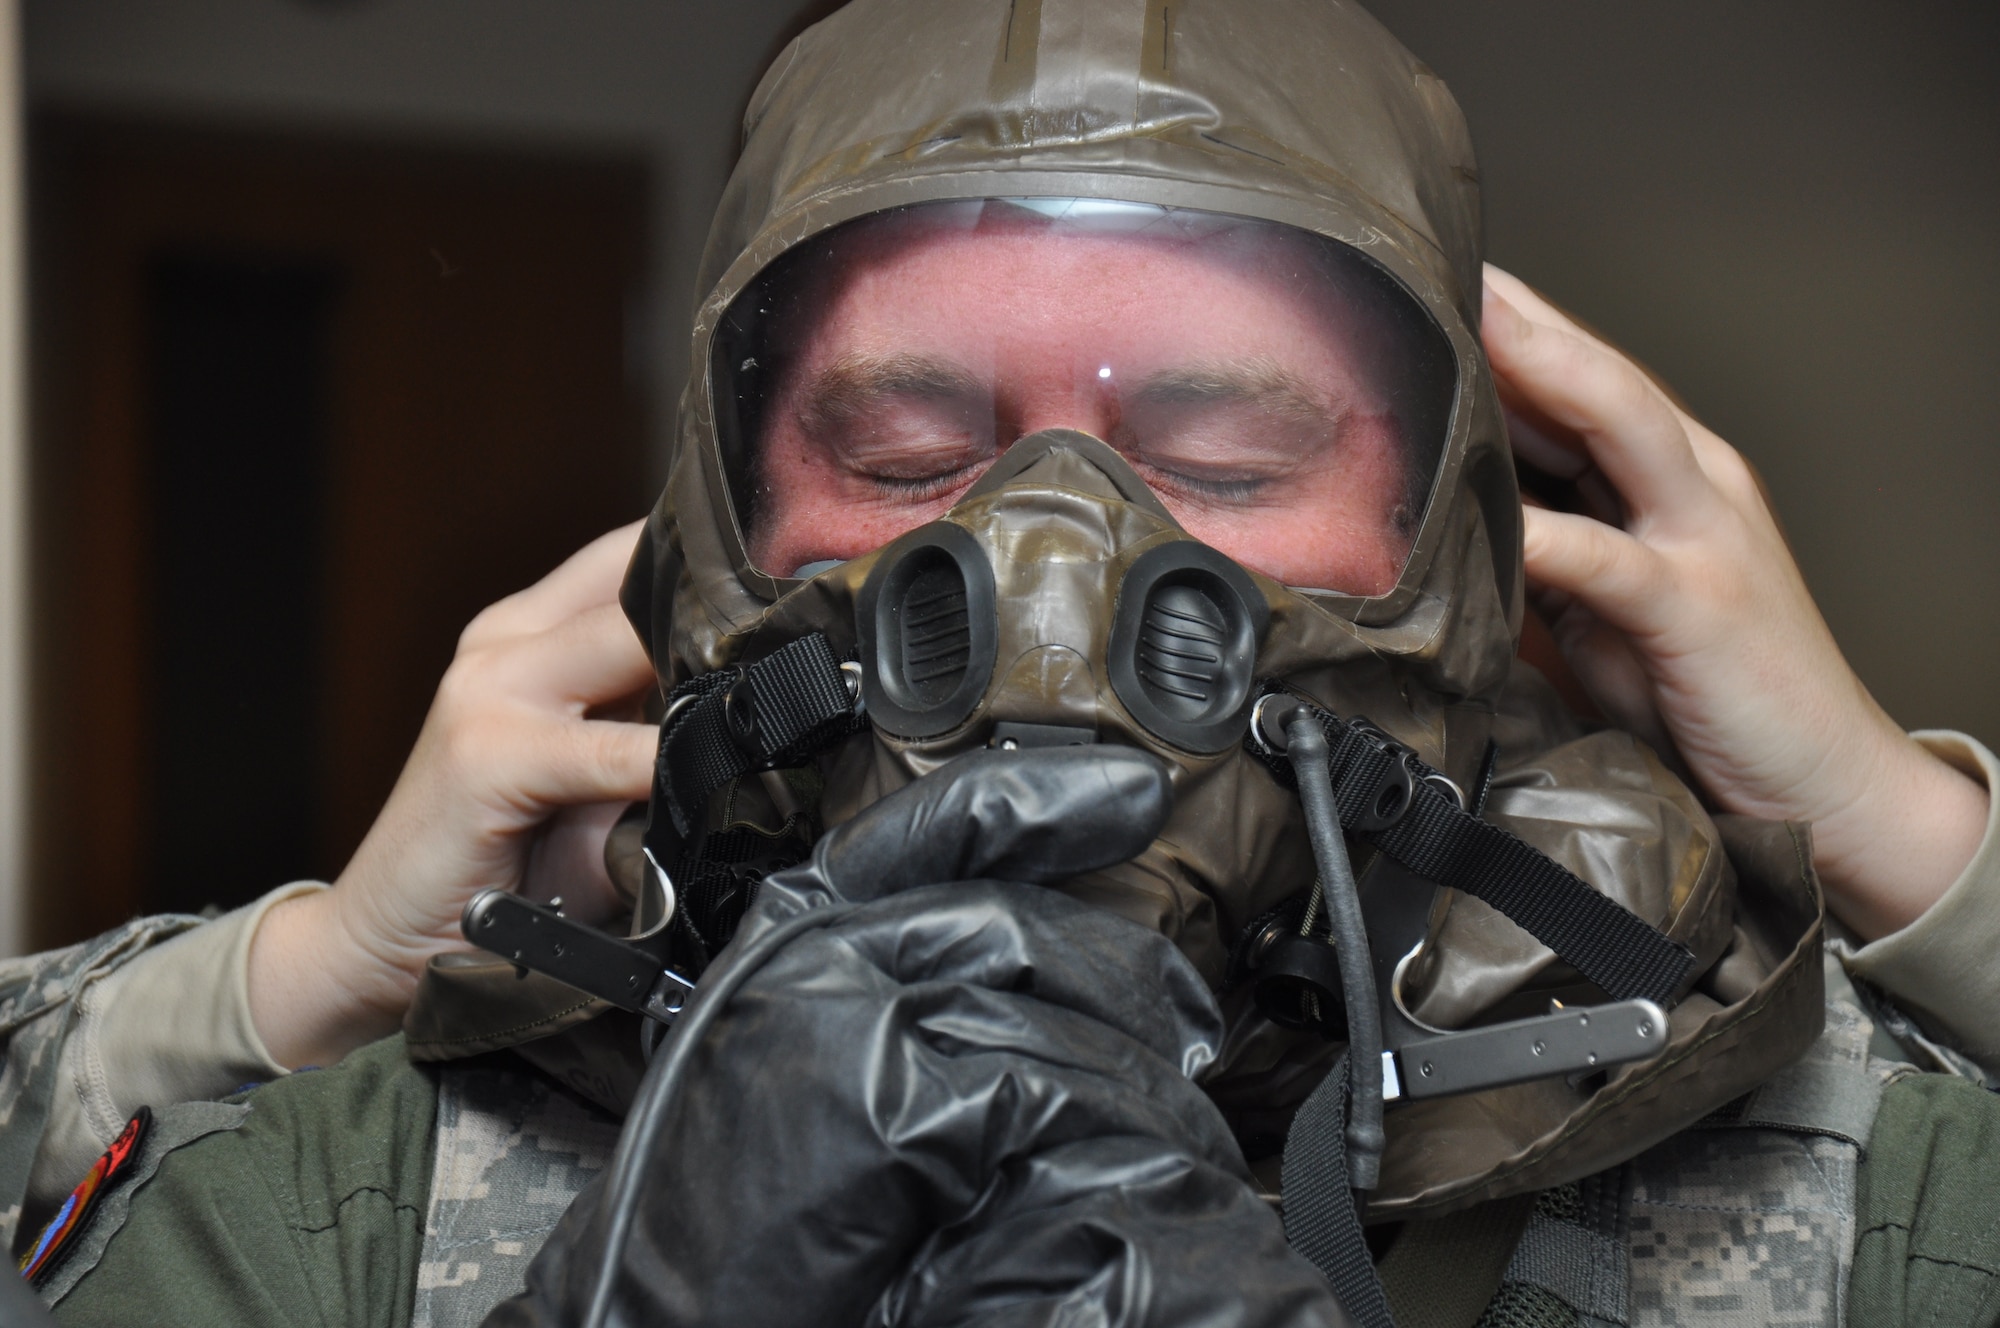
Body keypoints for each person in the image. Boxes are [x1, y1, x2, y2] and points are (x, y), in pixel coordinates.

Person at [13, 0, 2000, 1324]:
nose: (1057, 574)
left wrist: (1904, 839)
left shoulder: (1885, 1214)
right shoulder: (331, 1214)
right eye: (900, 455)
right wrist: (329, 979)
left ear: (1462, 567)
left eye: (1225, 459)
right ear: (715, 548)